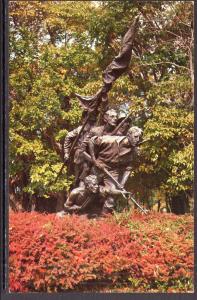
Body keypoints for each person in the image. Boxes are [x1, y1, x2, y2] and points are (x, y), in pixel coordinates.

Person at [88, 126, 143, 213]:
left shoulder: (134, 151)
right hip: (99, 168)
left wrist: (122, 184)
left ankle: (104, 218)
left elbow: (128, 169)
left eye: (139, 137)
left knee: (112, 197)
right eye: (136, 137)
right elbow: (91, 141)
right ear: (128, 135)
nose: (138, 139)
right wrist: (94, 161)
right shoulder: (110, 140)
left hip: (113, 172)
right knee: (89, 190)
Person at [64, 174, 130, 217]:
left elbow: (109, 190)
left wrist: (121, 192)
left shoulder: (98, 189)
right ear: (87, 186)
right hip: (75, 213)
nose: (96, 186)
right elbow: (66, 207)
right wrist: (76, 208)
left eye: (96, 184)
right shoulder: (75, 192)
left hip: (88, 213)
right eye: (94, 184)